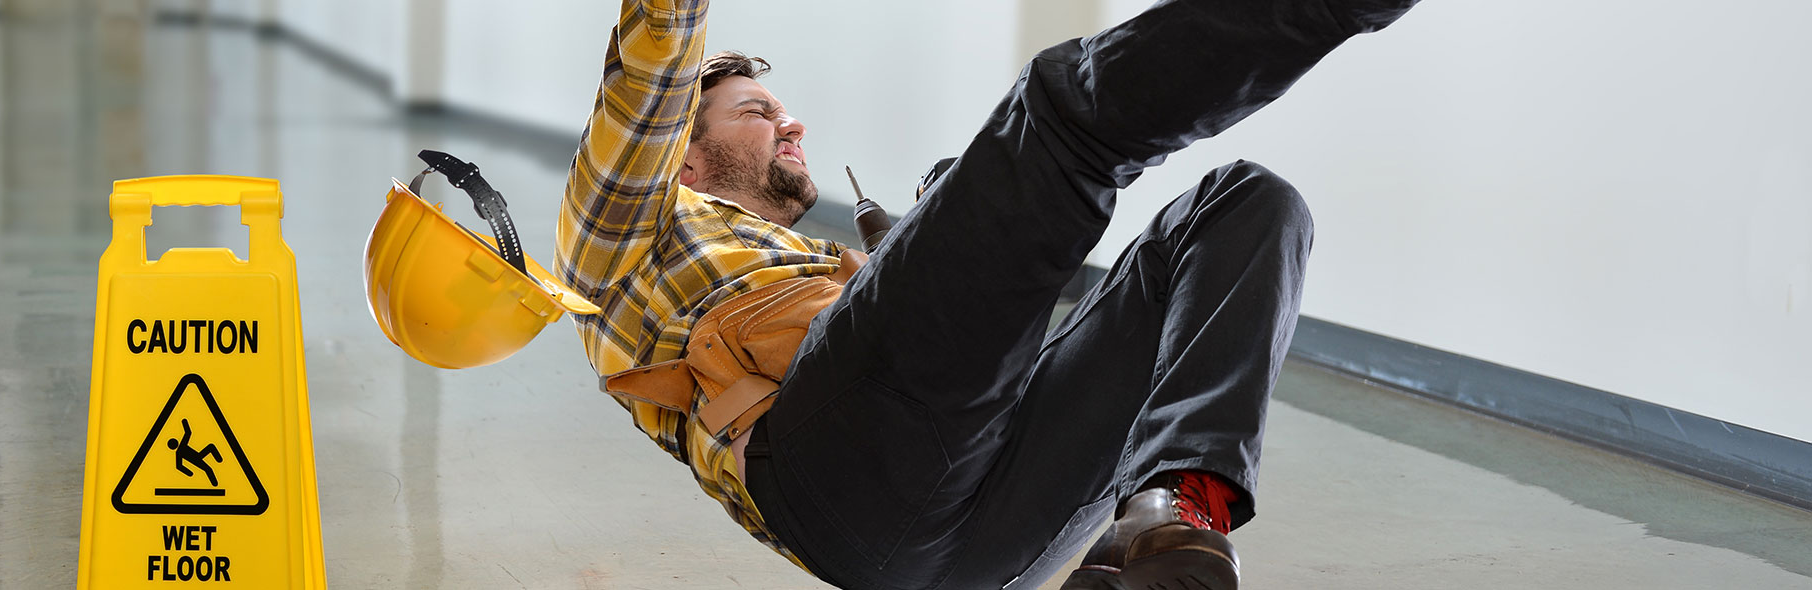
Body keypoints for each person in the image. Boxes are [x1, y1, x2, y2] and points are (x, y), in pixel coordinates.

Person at [555, 1, 1422, 588]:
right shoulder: (622, 231)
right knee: (1059, 121)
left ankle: (1164, 512)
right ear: (683, 156)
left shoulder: (809, 257)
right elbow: (650, 74)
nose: (790, 123)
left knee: (1244, 202)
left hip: (973, 549)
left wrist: (927, 244)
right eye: (756, 110)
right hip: (828, 476)